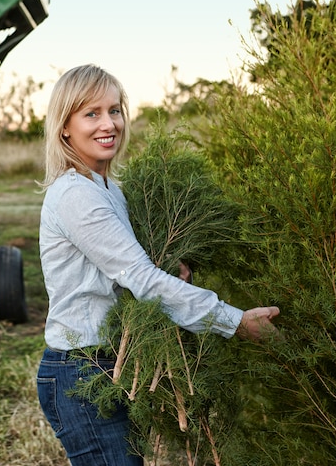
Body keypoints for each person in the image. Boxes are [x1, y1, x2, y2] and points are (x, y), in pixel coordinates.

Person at [35, 64, 279, 465]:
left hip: (110, 364)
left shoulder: (110, 188)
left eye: (114, 110)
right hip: (81, 371)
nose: (108, 124)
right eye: (91, 114)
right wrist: (233, 322)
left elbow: (131, 270)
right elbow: (142, 280)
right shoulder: (76, 194)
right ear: (64, 127)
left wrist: (174, 269)